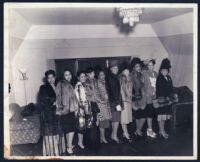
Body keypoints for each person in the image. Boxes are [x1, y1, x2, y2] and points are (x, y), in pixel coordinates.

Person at [38, 70, 63, 156]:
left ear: (55, 77)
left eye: (52, 77)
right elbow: (43, 100)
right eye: (49, 78)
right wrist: (54, 102)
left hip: (58, 113)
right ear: (46, 79)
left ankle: (58, 151)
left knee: (58, 132)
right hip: (48, 114)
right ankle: (52, 152)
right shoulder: (43, 87)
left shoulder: (58, 86)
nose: (51, 79)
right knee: (50, 133)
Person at [55, 69, 79, 155]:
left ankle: (69, 145)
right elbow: (59, 98)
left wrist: (75, 108)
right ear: (63, 76)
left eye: (69, 74)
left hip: (70, 110)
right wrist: (63, 110)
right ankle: (69, 147)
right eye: (66, 75)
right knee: (71, 129)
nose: (68, 76)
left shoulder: (68, 84)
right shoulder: (61, 84)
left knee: (69, 129)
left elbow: (72, 98)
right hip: (66, 111)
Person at [156, 58, 174, 139]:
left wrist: (171, 97)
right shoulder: (159, 78)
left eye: (166, 70)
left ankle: (161, 130)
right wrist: (166, 96)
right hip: (161, 100)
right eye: (163, 70)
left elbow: (171, 88)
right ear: (160, 71)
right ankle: (162, 131)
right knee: (161, 117)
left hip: (167, 100)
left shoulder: (169, 77)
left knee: (165, 117)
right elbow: (159, 90)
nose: (165, 72)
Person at [105, 60, 123, 144]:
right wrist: (117, 103)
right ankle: (114, 136)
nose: (116, 69)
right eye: (114, 68)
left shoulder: (115, 76)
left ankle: (113, 135)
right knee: (116, 120)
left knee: (115, 120)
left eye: (117, 68)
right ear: (111, 69)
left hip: (115, 101)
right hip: (114, 102)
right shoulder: (111, 77)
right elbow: (112, 91)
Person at [130, 57, 147, 138]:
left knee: (139, 116)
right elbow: (136, 86)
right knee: (142, 116)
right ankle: (138, 130)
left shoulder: (139, 74)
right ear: (133, 67)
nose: (138, 68)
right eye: (137, 66)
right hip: (136, 98)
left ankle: (137, 130)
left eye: (139, 66)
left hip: (140, 97)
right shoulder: (133, 75)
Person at [74, 71, 91, 149]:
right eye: (81, 77)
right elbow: (79, 100)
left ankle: (84, 141)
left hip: (87, 108)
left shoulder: (85, 85)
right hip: (81, 109)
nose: (83, 78)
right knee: (81, 126)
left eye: (84, 76)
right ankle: (80, 142)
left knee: (86, 125)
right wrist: (85, 109)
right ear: (78, 78)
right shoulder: (78, 86)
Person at [142, 59, 157, 139]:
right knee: (149, 113)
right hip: (148, 96)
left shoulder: (155, 73)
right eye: (149, 65)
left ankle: (150, 129)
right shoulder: (145, 73)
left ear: (154, 65)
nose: (151, 66)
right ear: (147, 66)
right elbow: (143, 85)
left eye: (152, 65)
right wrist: (147, 93)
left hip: (155, 96)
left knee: (152, 114)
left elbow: (156, 84)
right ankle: (149, 130)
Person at [96, 70, 112, 144]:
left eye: (103, 74)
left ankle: (102, 137)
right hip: (101, 104)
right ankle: (102, 137)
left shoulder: (105, 82)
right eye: (101, 74)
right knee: (102, 121)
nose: (103, 76)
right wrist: (102, 100)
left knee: (105, 121)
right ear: (98, 76)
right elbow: (96, 94)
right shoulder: (97, 83)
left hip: (106, 104)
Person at [119, 62, 133, 142]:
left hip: (128, 100)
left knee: (127, 118)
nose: (127, 72)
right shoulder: (122, 78)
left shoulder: (129, 78)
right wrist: (126, 99)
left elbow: (130, 90)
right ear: (122, 71)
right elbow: (121, 91)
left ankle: (125, 133)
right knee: (124, 118)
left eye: (128, 70)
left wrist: (130, 98)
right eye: (125, 71)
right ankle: (126, 133)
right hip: (124, 101)